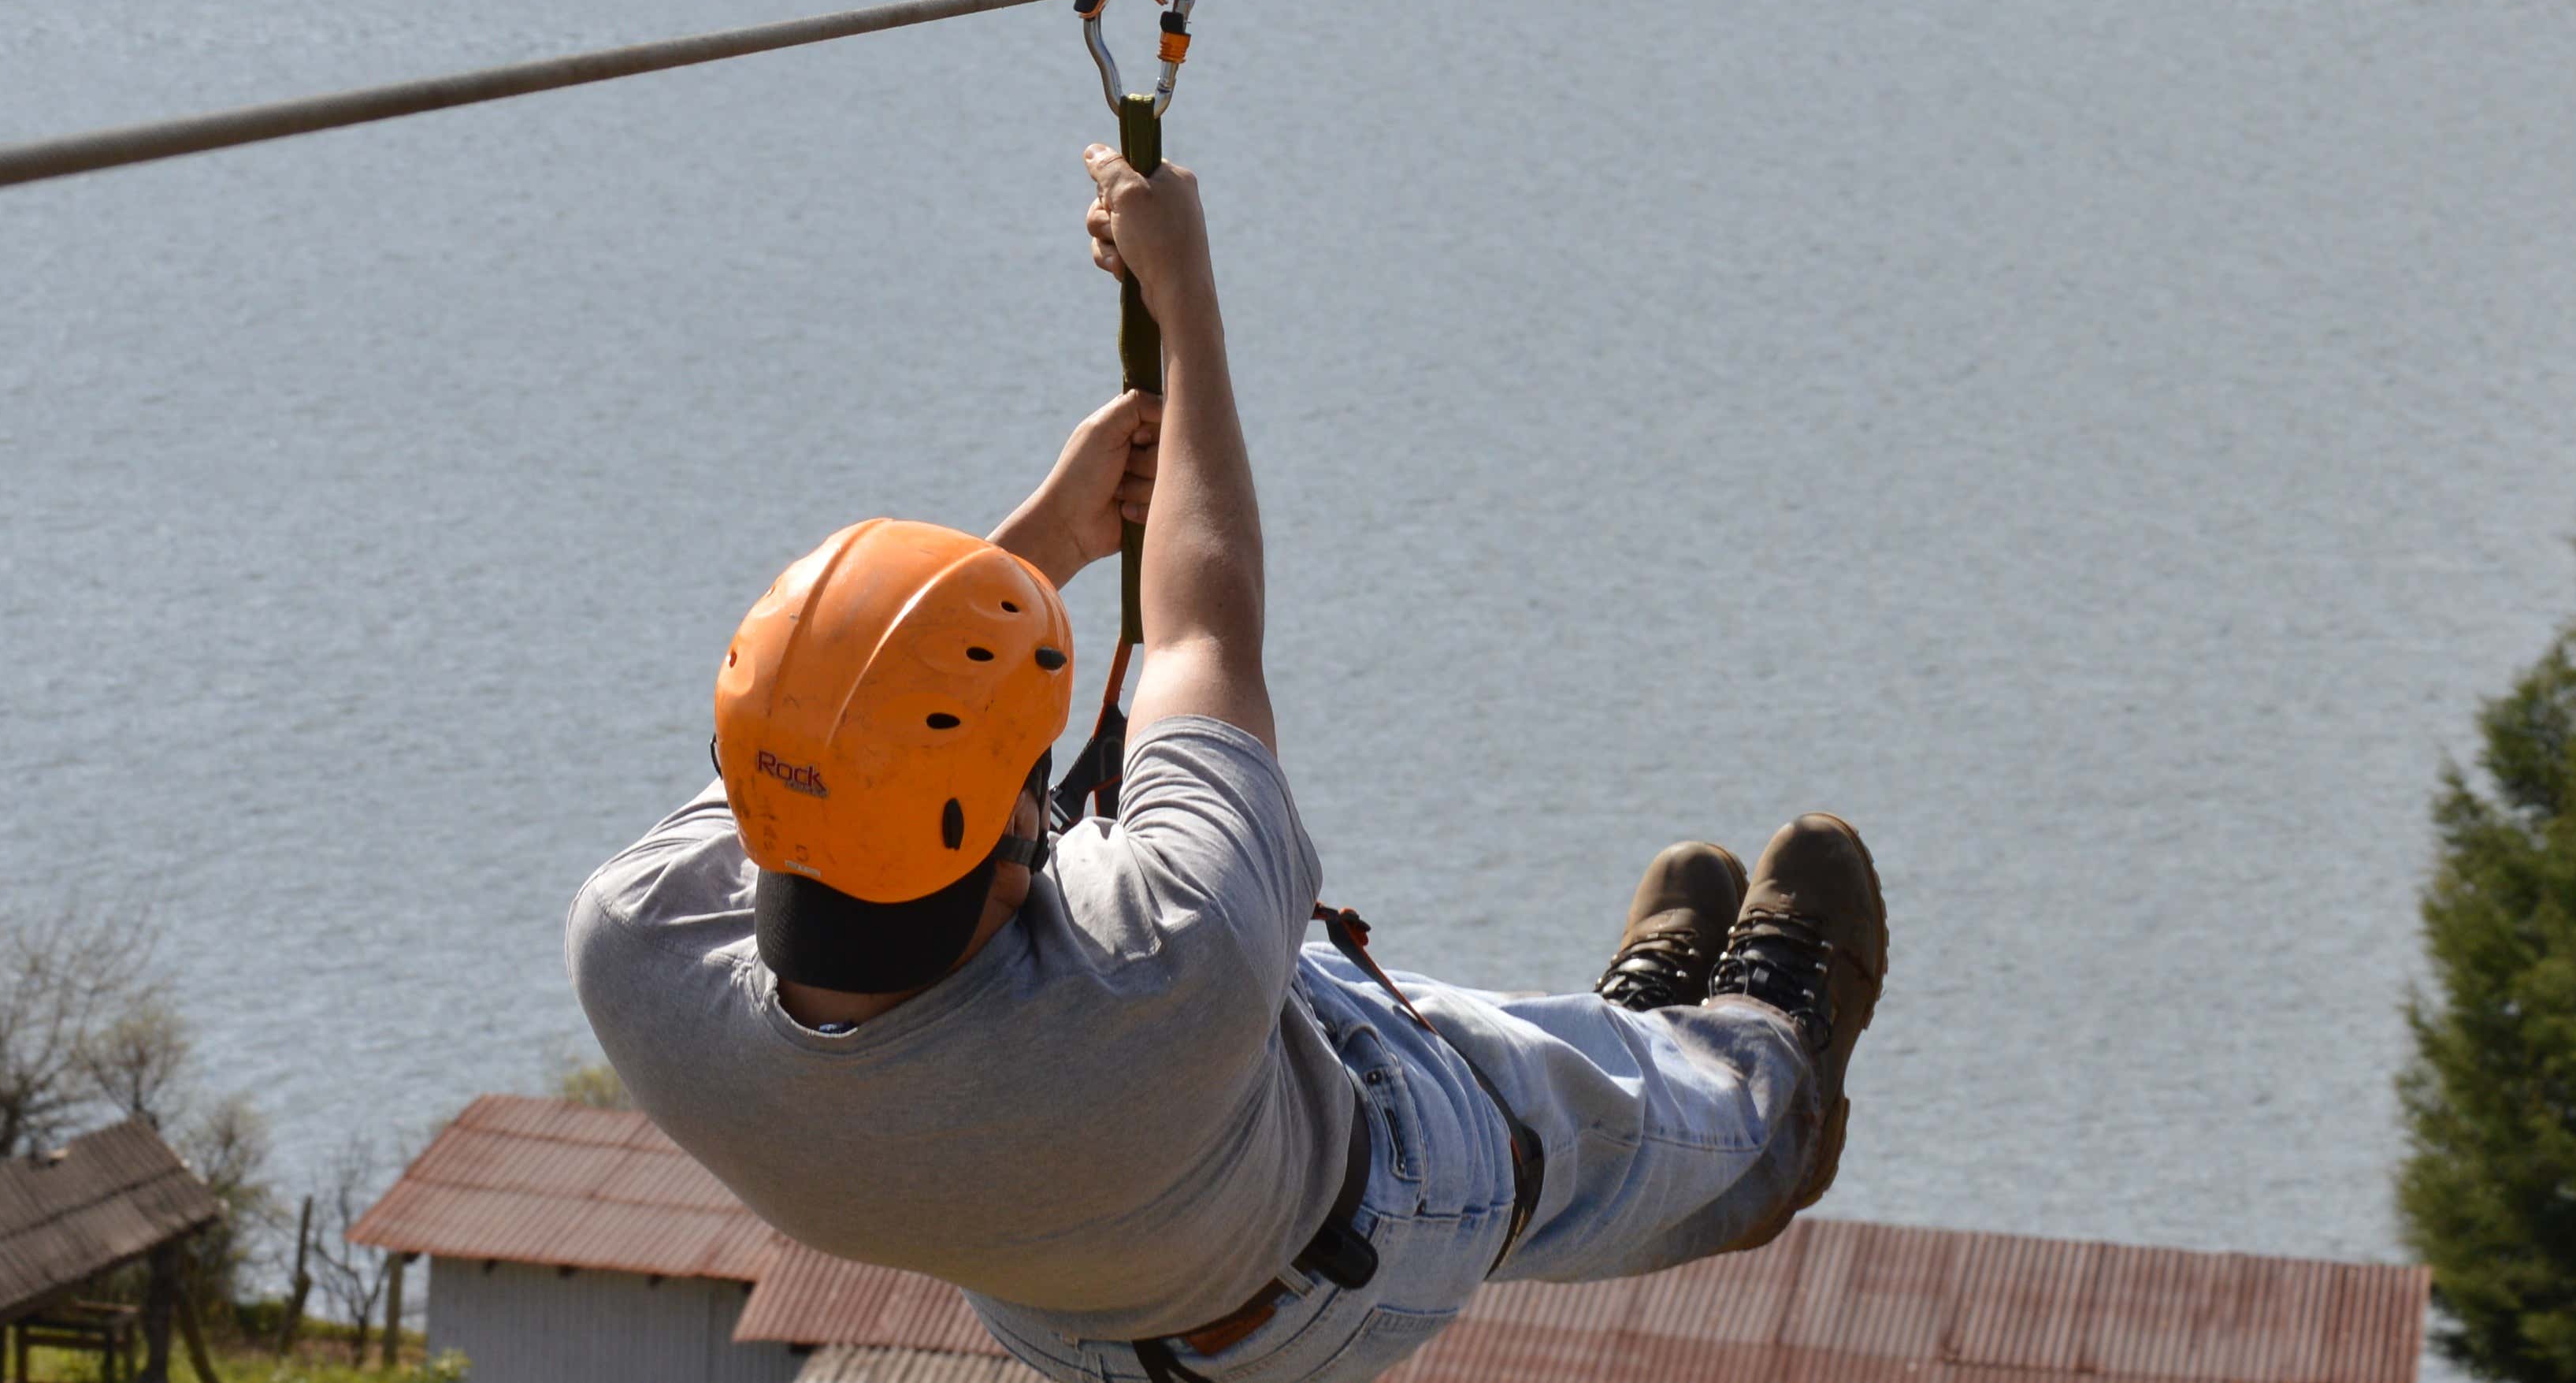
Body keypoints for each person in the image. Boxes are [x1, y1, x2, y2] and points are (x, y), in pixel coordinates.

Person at [568, 144, 1889, 1383]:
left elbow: (861, 720)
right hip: (1328, 1257)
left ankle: (1626, 1031)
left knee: (1299, 973)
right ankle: (1764, 1083)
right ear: (1013, 856)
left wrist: (1039, 545)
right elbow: (1204, 623)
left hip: (1088, 1273)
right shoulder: (1161, 962)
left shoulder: (640, 948)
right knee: (1552, 1121)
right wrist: (1183, 293)